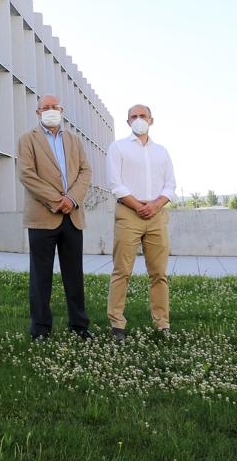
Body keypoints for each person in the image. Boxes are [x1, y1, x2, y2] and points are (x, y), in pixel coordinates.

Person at [17, 94, 93, 341]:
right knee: (41, 277)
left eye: (55, 107)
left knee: (75, 275)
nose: (50, 111)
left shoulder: (74, 140)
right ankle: (40, 329)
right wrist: (56, 200)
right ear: (38, 112)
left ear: (62, 110)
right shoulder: (28, 139)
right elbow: (27, 175)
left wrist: (71, 199)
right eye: (45, 108)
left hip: (72, 217)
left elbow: (85, 171)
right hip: (42, 217)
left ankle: (79, 326)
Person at [106, 104, 175, 340]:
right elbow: (115, 184)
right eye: (133, 117)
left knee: (159, 274)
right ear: (127, 123)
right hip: (128, 213)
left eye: (142, 116)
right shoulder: (118, 148)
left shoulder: (162, 152)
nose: (138, 119)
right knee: (122, 271)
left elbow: (170, 185)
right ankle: (117, 324)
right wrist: (138, 206)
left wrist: (155, 205)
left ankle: (162, 323)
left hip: (156, 214)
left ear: (151, 120)